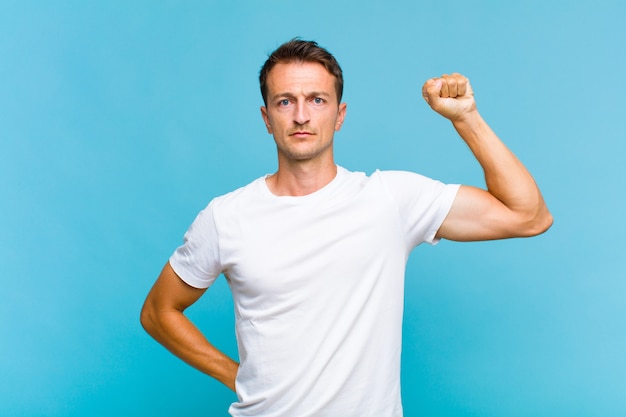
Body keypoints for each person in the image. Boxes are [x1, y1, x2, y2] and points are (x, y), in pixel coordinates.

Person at [140, 38, 552, 417]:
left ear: (340, 115)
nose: (301, 115)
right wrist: (236, 375)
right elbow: (158, 311)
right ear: (267, 118)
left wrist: (466, 118)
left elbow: (529, 216)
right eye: (285, 102)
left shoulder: (390, 200)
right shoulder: (226, 216)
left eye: (317, 100)